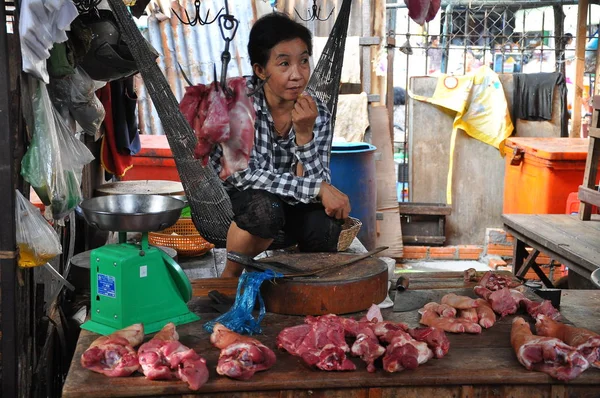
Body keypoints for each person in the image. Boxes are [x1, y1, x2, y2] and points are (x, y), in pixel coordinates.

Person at [214, 12, 351, 278]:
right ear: (260, 70)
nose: (297, 75)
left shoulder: (316, 111)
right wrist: (316, 188)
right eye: (284, 64)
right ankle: (230, 277)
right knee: (266, 210)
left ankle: (301, 280)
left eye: (303, 62)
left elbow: (319, 180)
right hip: (237, 200)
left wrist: (304, 135)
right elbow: (243, 175)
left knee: (326, 222)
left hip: (291, 195)